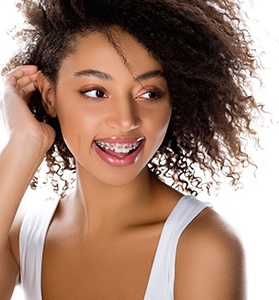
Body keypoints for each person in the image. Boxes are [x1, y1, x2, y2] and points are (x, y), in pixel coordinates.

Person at [0, 0, 261, 299]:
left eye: (149, 93)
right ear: (48, 96)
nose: (126, 120)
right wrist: (24, 143)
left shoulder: (202, 246)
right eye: (96, 92)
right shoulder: (22, 237)